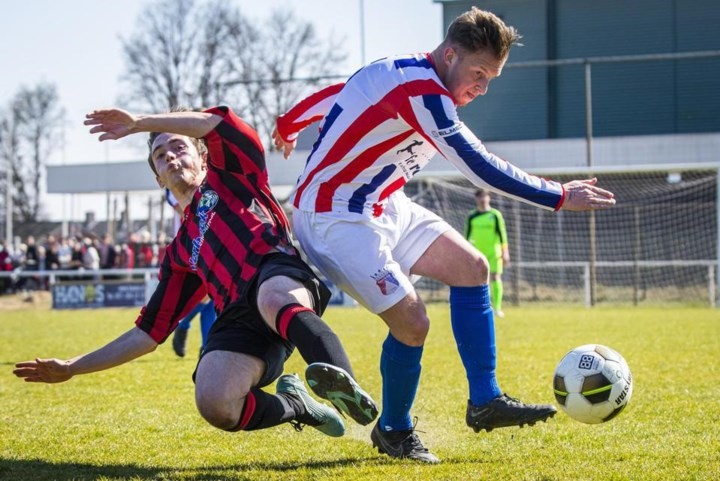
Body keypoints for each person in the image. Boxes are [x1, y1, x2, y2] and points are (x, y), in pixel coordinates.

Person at [273, 7, 615, 463]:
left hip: (382, 203)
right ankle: (393, 430)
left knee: (474, 268)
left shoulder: (408, 78)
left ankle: (485, 401)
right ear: (449, 54)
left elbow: (338, 94)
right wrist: (557, 195)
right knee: (413, 323)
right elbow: (478, 165)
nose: (482, 87)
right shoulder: (422, 90)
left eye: (491, 77)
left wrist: (288, 123)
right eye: (478, 73)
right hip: (334, 217)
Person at [14, 105, 378, 442]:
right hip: (241, 319)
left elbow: (216, 123)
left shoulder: (233, 174)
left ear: (203, 158)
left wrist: (140, 124)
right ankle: (297, 406)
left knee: (270, 295)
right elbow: (146, 333)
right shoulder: (180, 252)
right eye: (160, 155)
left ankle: (343, 382)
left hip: (279, 275)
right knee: (214, 402)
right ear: (158, 179)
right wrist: (73, 367)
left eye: (178, 147)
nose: (170, 156)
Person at [164, 187, 218, 358]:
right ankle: (183, 324)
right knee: (205, 294)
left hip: (211, 241)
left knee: (210, 299)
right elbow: (185, 212)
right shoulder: (174, 183)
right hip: (193, 245)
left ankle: (206, 347)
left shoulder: (208, 179)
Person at [465, 189, 509, 317]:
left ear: (489, 198)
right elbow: (466, 236)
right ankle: (482, 306)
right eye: (479, 196)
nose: (482, 199)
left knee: (495, 277)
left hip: (494, 252)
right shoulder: (471, 216)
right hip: (478, 253)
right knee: (479, 281)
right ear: (476, 198)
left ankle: (497, 308)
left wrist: (505, 252)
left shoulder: (495, 215)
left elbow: (502, 235)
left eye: (485, 196)